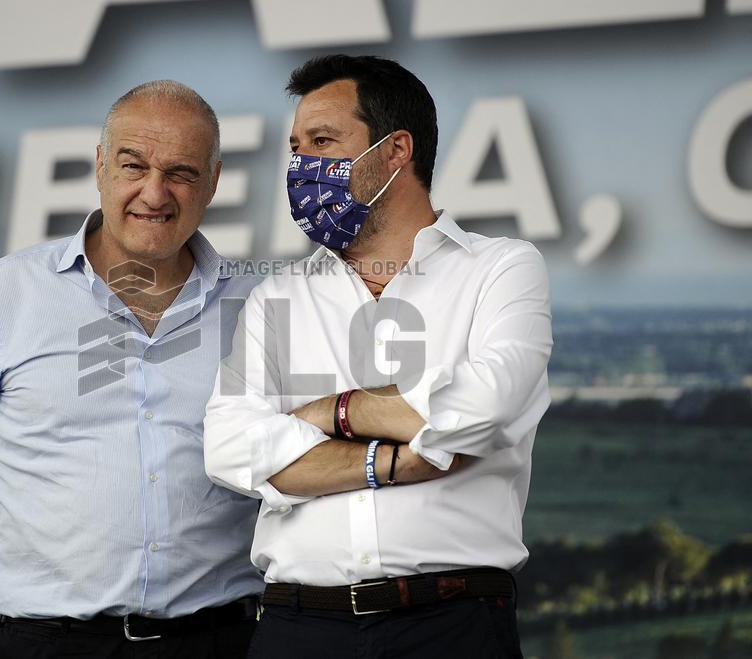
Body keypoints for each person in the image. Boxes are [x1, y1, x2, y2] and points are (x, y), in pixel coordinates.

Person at [204, 55, 552, 659]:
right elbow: (231, 449)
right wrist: (394, 459)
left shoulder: (501, 269)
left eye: (323, 142)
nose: (302, 166)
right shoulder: (277, 295)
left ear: (396, 152)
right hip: (298, 626)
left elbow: (483, 411)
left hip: (453, 625)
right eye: (296, 147)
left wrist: (329, 415)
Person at [0, 80, 263, 658]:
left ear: (214, 182)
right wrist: (17, 624)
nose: (154, 192)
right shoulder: (0, 297)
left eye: (182, 173)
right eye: (133, 165)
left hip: (223, 641)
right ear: (100, 166)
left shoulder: (262, 304)